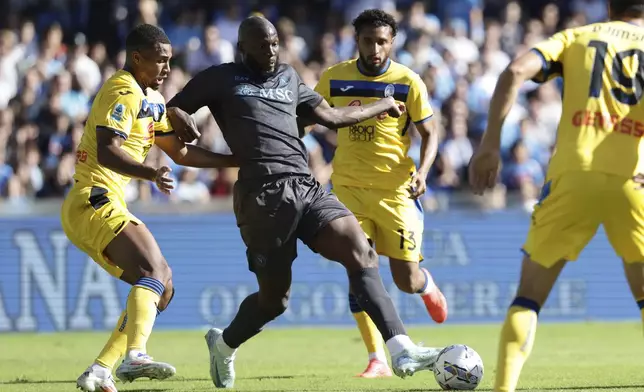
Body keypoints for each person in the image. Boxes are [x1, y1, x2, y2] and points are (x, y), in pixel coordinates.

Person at [167, 15, 443, 389]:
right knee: (274, 301)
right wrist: (178, 115)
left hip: (306, 187)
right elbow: (174, 110)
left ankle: (400, 348)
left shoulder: (288, 76)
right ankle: (224, 343)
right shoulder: (219, 77)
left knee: (360, 251)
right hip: (261, 199)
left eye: (275, 43)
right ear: (242, 47)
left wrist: (381, 106)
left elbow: (330, 117)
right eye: (262, 45)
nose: (270, 51)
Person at [469, 1, 644, 391]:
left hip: (573, 174)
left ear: (610, 5)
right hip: (634, 180)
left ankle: (504, 389)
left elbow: (515, 71)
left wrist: (490, 146)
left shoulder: (579, 36)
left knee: (529, 298)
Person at [62, 24, 237, 392]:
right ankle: (135, 355)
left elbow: (180, 152)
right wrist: (150, 172)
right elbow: (108, 149)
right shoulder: (121, 91)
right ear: (137, 59)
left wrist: (236, 160)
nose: (167, 69)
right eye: (160, 61)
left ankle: (99, 370)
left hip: (104, 201)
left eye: (170, 61)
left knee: (163, 284)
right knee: (154, 269)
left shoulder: (153, 100)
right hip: (93, 197)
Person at [311, 9, 447, 378]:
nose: (375, 48)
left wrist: (423, 171)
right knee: (359, 269)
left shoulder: (407, 80)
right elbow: (306, 119)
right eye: (368, 40)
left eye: (382, 41)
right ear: (357, 40)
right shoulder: (334, 78)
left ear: (393, 42)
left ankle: (426, 284)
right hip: (348, 190)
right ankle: (377, 358)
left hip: (395, 192)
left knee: (405, 279)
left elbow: (430, 133)